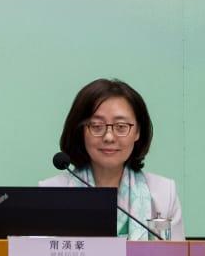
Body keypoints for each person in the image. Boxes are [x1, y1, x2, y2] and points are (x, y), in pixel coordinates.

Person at [39, 78, 183, 239]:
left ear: (137, 132)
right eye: (96, 126)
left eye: (121, 127)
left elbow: (178, 255)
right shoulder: (50, 194)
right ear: (80, 131)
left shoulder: (163, 194)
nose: (109, 137)